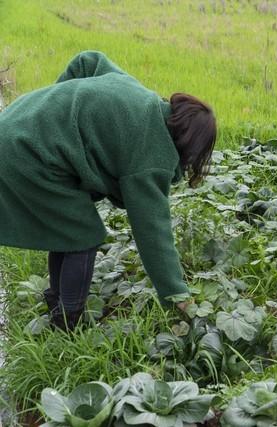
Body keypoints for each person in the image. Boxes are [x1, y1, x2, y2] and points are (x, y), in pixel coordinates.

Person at [0, 51, 216, 330]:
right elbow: (154, 234)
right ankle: (66, 325)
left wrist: (53, 110)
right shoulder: (152, 154)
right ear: (190, 145)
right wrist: (178, 296)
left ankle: (55, 304)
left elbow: (87, 61)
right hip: (28, 153)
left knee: (67, 228)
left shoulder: (136, 93)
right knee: (83, 235)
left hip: (16, 123)